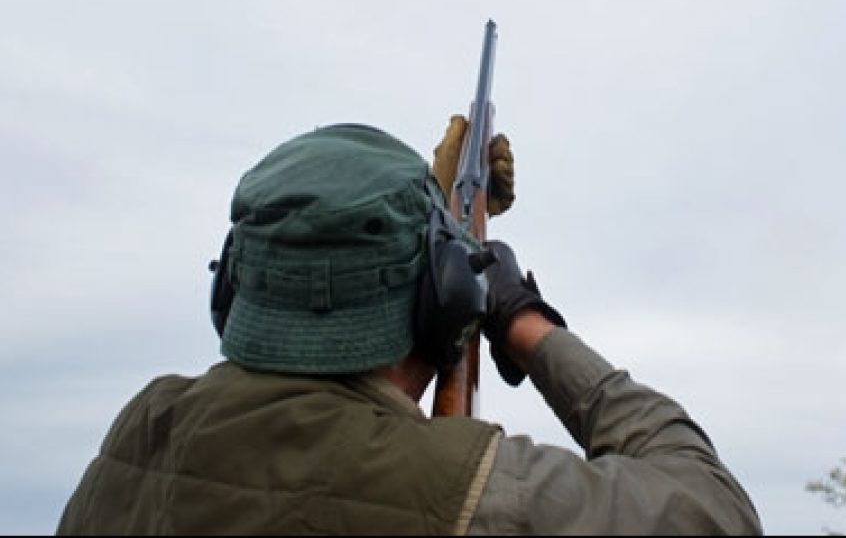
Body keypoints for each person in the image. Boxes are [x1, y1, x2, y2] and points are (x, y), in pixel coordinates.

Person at [57, 117, 763, 536]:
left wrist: (436, 230)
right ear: (442, 301)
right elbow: (714, 510)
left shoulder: (144, 427)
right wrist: (524, 321)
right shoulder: (459, 491)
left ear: (234, 286)